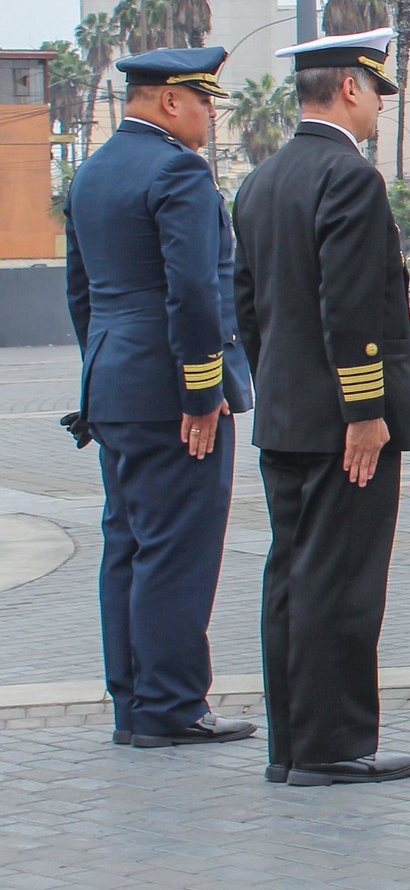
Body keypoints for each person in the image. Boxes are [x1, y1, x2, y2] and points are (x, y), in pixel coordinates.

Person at [233, 29, 410, 787]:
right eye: (376, 90)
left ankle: (292, 742)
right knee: (340, 583)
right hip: (343, 426)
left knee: (290, 579)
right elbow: (350, 306)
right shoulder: (349, 178)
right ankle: (334, 744)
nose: (379, 106)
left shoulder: (262, 179)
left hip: (286, 414)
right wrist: (364, 409)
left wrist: (281, 384)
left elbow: (249, 307)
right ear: (349, 88)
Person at [63, 47, 255, 750]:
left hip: (114, 381)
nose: (210, 114)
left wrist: (102, 370)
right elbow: (194, 289)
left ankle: (133, 701)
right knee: (177, 547)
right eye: (206, 100)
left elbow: (80, 291)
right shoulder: (176, 170)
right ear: (171, 100)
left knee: (129, 543)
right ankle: (173, 705)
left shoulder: (92, 172)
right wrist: (203, 390)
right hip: (173, 391)